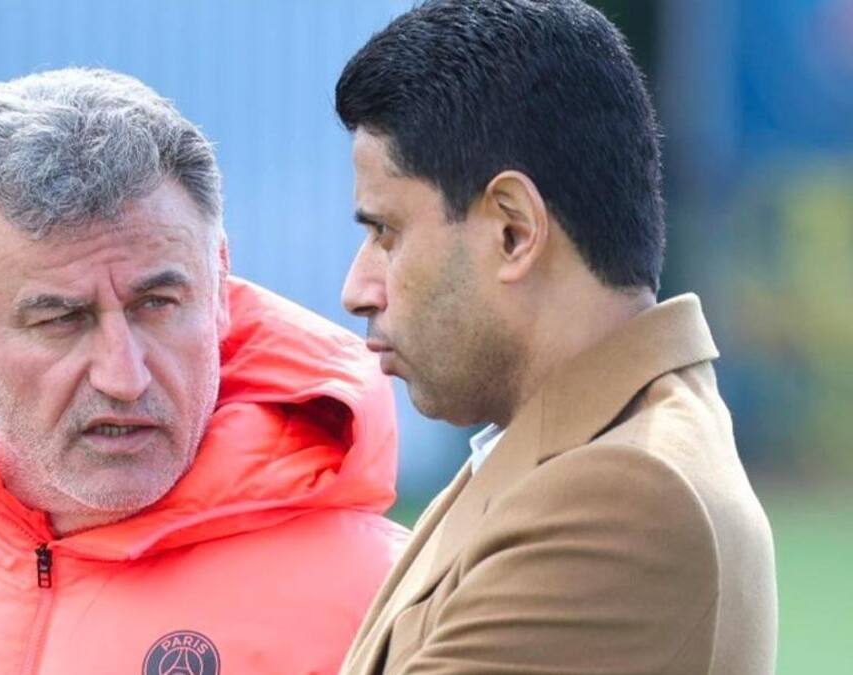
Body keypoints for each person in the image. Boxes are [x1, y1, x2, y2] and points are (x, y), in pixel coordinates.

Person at [0, 68, 408, 675]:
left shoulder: (390, 605)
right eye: (61, 320)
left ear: (216, 291)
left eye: (156, 305)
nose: (124, 376)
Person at [332, 2, 777, 674]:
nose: (357, 287)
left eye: (385, 232)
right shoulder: (559, 447)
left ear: (513, 230)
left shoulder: (625, 492)